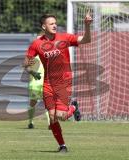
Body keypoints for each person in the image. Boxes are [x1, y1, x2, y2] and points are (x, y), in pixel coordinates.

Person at [23, 11, 92, 152]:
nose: (55, 26)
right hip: (48, 84)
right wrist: (31, 70)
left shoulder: (64, 37)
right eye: (51, 23)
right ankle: (62, 146)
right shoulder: (36, 44)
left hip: (64, 82)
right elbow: (26, 62)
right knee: (52, 118)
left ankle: (73, 107)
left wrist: (87, 26)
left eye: (55, 23)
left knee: (62, 116)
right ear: (43, 26)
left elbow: (86, 40)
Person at [27, 55, 50, 129]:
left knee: (33, 103)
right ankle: (50, 124)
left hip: (37, 83)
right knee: (47, 103)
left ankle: (30, 122)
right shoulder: (33, 55)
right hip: (41, 83)